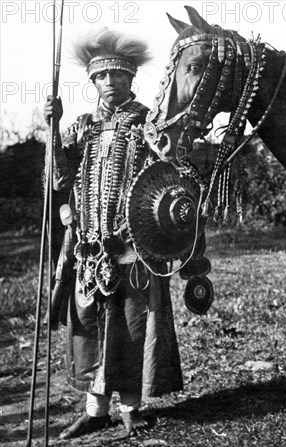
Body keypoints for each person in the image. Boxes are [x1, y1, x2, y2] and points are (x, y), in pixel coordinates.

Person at [43, 28, 183, 439]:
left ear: (130, 79)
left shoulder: (147, 122)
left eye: (117, 76)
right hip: (89, 247)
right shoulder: (83, 127)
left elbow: (173, 170)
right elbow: (57, 180)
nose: (110, 83)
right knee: (88, 326)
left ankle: (131, 408)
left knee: (132, 326)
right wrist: (53, 126)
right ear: (93, 82)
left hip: (133, 247)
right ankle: (95, 410)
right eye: (102, 77)